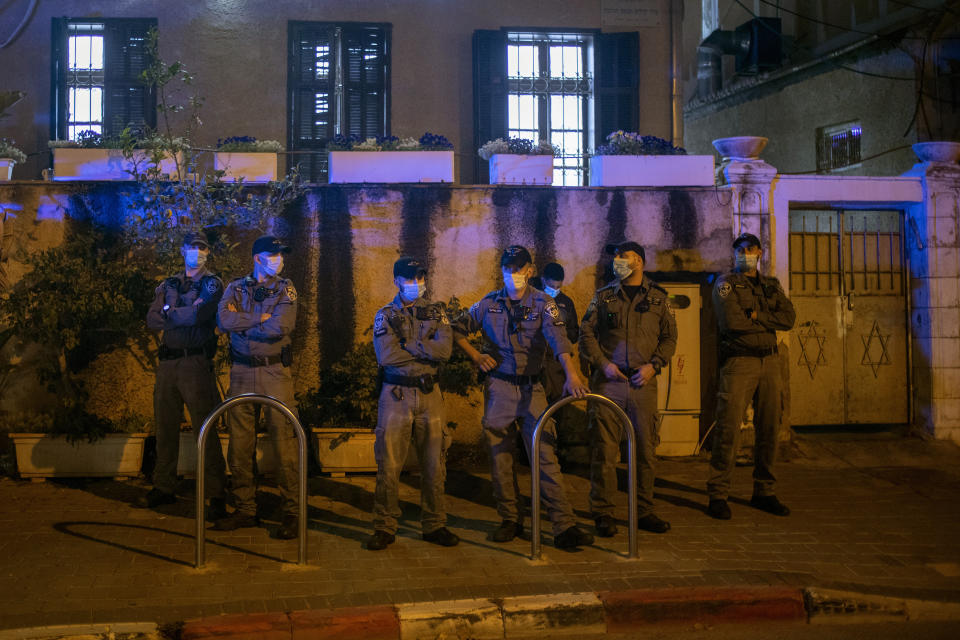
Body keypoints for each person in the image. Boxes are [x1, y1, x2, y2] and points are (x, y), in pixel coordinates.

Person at [454, 245, 594, 550]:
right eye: (508, 269)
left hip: (532, 389)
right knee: (500, 457)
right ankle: (510, 519)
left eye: (518, 269)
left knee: (545, 456)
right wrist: (477, 356)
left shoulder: (544, 303)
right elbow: (457, 329)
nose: (512, 274)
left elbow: (560, 340)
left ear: (529, 270)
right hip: (500, 388)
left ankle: (563, 525)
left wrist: (572, 374)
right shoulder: (489, 304)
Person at [579, 242, 677, 537]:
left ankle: (644, 510)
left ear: (639, 261)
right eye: (616, 257)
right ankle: (603, 512)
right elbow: (586, 333)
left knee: (646, 451)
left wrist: (654, 365)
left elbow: (670, 338)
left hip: (642, 384)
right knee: (605, 452)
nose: (617, 261)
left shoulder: (659, 298)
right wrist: (602, 363)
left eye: (623, 256)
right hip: (609, 383)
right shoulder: (603, 296)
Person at [366, 257, 459, 551]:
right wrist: (425, 349)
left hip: (430, 396)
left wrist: (408, 345)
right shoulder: (385, 314)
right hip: (396, 395)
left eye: (420, 277)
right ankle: (385, 526)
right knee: (389, 465)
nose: (417, 283)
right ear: (396, 281)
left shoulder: (437, 311)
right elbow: (386, 357)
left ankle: (434, 524)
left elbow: (445, 350)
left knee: (434, 464)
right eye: (410, 278)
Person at [213, 235, 301, 540]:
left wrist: (244, 321)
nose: (278, 258)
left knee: (285, 443)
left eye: (281, 254)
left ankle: (292, 511)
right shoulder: (235, 288)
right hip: (240, 372)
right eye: (272, 253)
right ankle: (245, 508)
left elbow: (281, 327)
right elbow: (223, 319)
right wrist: (260, 317)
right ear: (256, 257)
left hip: (275, 372)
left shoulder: (286, 288)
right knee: (239, 445)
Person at [707, 232, 796, 520]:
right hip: (740, 362)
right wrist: (764, 320)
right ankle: (718, 493)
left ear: (760, 252)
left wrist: (756, 316)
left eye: (751, 248)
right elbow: (731, 322)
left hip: (770, 361)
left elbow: (789, 319)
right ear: (734, 254)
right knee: (728, 428)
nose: (745, 253)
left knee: (770, 427)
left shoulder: (772, 285)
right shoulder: (724, 284)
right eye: (740, 249)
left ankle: (764, 491)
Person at [140, 232, 227, 519]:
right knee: (165, 426)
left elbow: (198, 316)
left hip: (195, 363)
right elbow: (152, 319)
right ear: (183, 250)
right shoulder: (169, 283)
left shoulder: (211, 283)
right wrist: (179, 312)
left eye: (202, 248)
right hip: (168, 365)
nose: (197, 252)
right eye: (193, 247)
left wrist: (171, 313)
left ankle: (215, 494)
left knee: (206, 428)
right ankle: (163, 487)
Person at [530, 262, 580, 403]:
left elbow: (574, 331)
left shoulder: (566, 302)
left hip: (557, 363)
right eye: (552, 287)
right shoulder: (531, 298)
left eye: (558, 287)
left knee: (559, 403)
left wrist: (560, 336)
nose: (555, 290)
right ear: (543, 280)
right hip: (536, 361)